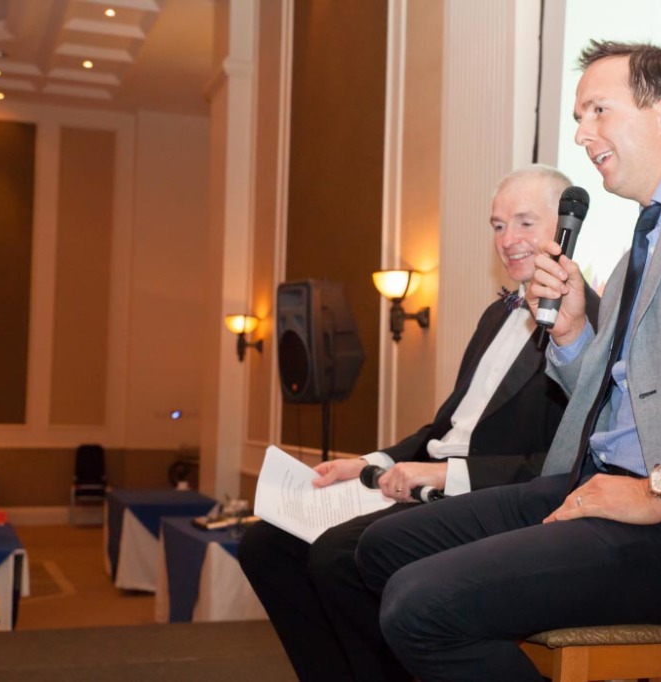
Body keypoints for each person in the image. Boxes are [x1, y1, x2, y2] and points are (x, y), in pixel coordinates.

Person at [354, 40, 661, 682]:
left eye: (597, 110)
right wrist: (568, 339)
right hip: (590, 484)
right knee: (381, 547)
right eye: (576, 117)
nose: (581, 133)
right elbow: (613, 394)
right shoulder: (634, 254)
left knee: (420, 605)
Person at [238, 164, 600, 682]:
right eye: (498, 226)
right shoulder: (496, 316)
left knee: (338, 556)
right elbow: (445, 428)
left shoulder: (588, 326)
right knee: (265, 545)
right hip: (429, 487)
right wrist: (372, 462)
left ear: (566, 227)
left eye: (525, 223)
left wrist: (446, 476)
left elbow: (562, 465)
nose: (508, 240)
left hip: (492, 506)